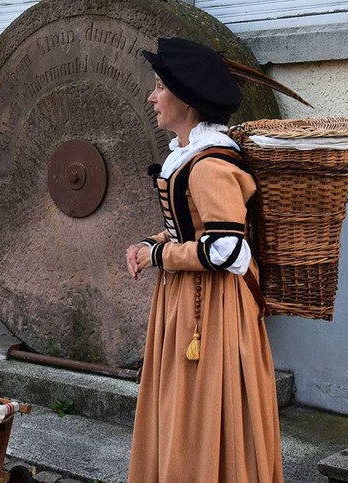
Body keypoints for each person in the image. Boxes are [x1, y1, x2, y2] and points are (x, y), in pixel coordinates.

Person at [125, 38, 283, 482]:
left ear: (187, 99)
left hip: (212, 308)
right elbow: (192, 227)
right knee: (181, 402)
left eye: (159, 86)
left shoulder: (212, 164)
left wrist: (159, 254)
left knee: (202, 405)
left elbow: (226, 250)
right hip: (185, 298)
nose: (151, 97)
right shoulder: (189, 155)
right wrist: (149, 243)